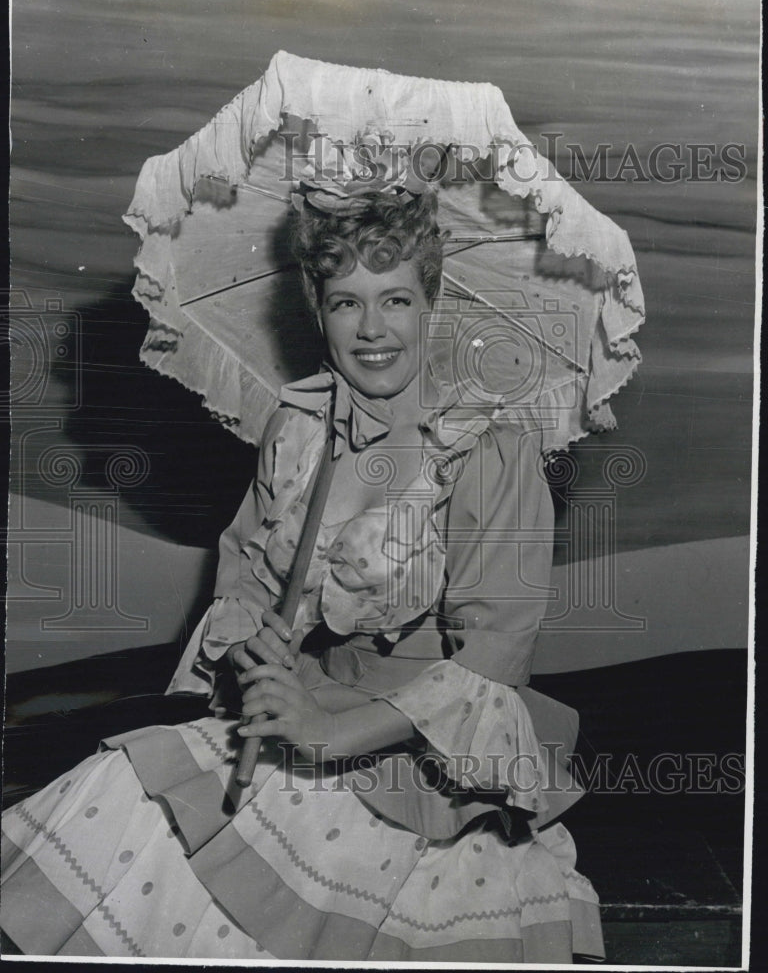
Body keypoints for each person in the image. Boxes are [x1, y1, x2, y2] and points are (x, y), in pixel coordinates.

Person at [1, 185, 605, 962]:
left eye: (395, 298)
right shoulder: (297, 429)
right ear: (317, 311)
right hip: (302, 709)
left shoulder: (486, 445)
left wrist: (328, 735)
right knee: (121, 788)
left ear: (432, 301)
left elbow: (493, 661)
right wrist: (259, 653)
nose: (373, 329)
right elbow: (246, 584)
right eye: (346, 302)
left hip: (422, 760)